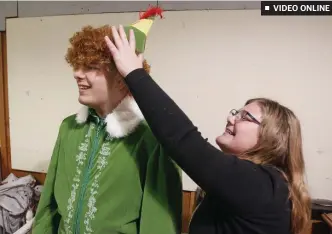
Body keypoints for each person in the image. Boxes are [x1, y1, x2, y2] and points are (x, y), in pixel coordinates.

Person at [104, 25, 312, 234]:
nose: (231, 118)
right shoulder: (265, 184)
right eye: (235, 112)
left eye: (244, 117)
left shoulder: (263, 186)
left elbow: (184, 141)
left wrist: (134, 73)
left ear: (272, 137)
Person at [32, 7, 183, 234]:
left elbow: (159, 223)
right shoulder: (69, 128)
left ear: (122, 78)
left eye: (91, 67)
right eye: (77, 65)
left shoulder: (152, 138)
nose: (77, 73)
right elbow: (49, 204)